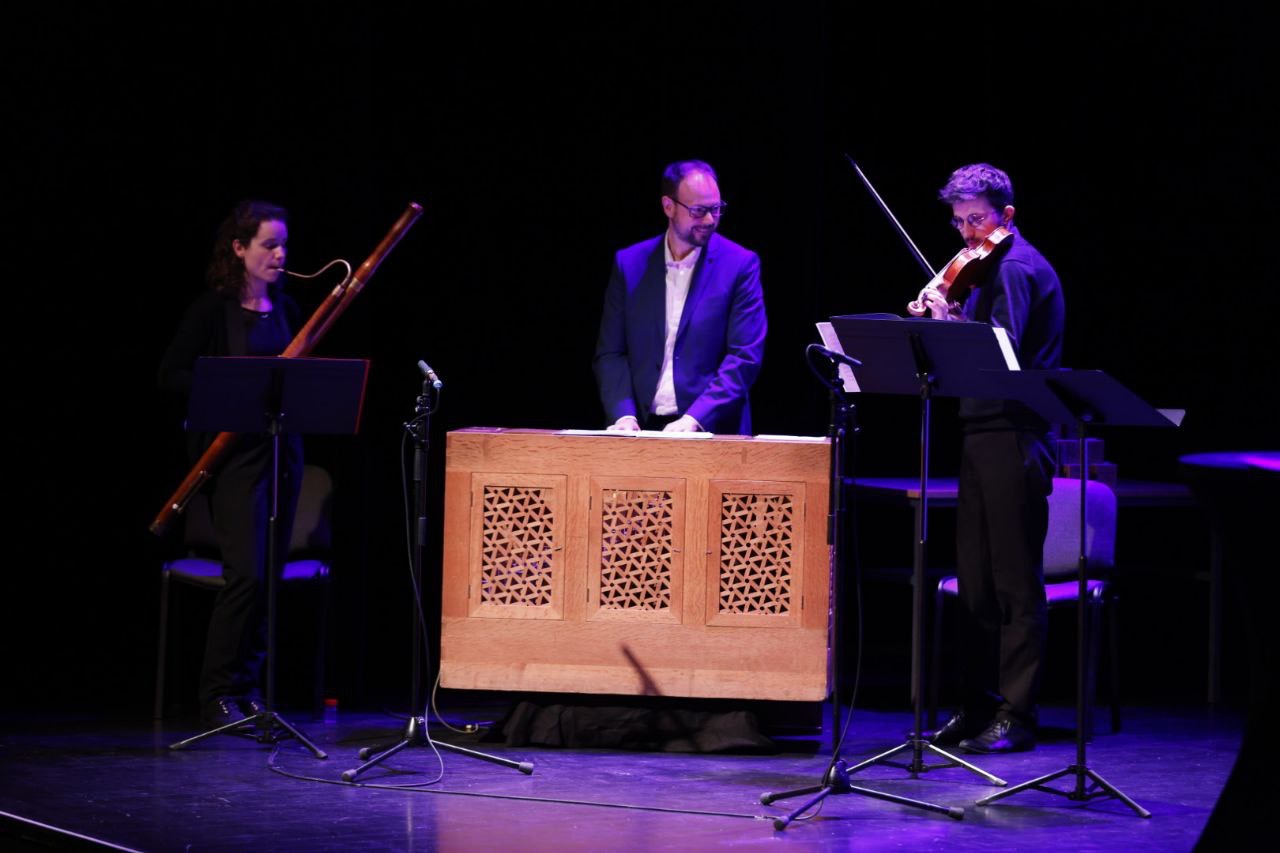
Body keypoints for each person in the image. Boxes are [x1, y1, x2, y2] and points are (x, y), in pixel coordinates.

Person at [918, 164, 1066, 753]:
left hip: (1015, 432)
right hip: (981, 430)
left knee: (1013, 583)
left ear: (1006, 214)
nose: (966, 233)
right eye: (958, 222)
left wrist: (948, 322)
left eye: (976, 219)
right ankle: (977, 706)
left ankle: (1018, 714)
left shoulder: (1017, 268)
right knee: (975, 582)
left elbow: (998, 355)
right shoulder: (985, 267)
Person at [158, 200, 304, 728]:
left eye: (284, 244)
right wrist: (224, 386)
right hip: (234, 462)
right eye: (269, 244)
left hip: (282, 454)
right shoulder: (211, 309)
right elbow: (170, 374)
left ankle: (250, 691)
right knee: (245, 575)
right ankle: (216, 692)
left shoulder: (286, 307)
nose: (281, 253)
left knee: (268, 577)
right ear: (239, 249)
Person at [594, 160, 767, 434]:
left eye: (716, 209)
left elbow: (744, 357)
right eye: (699, 211)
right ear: (668, 206)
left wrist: (694, 419)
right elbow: (611, 352)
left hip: (710, 430)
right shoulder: (630, 263)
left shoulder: (740, 265)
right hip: (640, 428)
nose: (710, 220)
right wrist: (623, 415)